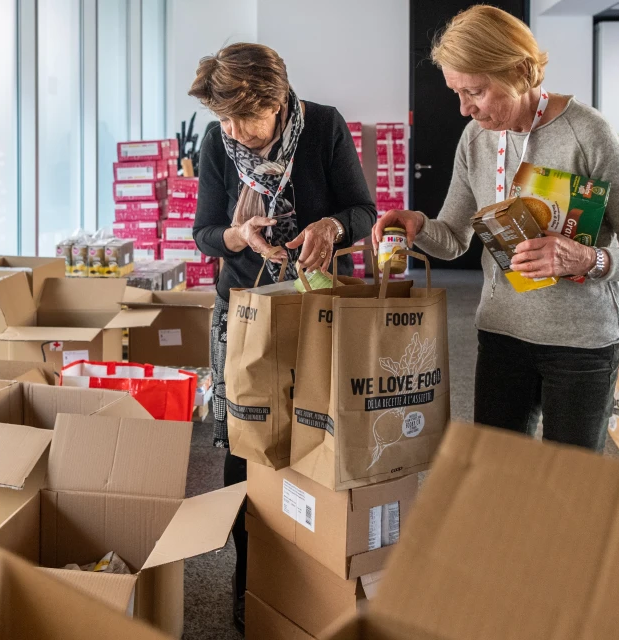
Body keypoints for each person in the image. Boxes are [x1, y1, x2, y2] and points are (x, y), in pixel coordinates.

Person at [373, 6, 619, 451]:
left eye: (474, 91)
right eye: (457, 92)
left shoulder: (589, 134)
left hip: (581, 343)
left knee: (566, 488)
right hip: (501, 333)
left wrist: (589, 258)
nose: (463, 109)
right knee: (496, 476)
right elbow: (454, 239)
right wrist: (419, 226)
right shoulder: (476, 138)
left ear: (518, 71)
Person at [190, 42, 375, 633]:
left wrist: (333, 224)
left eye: (249, 118)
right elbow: (204, 233)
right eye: (226, 119)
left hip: (315, 308)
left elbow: (365, 212)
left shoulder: (322, 127)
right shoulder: (216, 140)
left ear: (279, 101)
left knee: (320, 442)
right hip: (242, 312)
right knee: (244, 449)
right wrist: (237, 236)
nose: (237, 132)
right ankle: (251, 586)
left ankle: (318, 581)